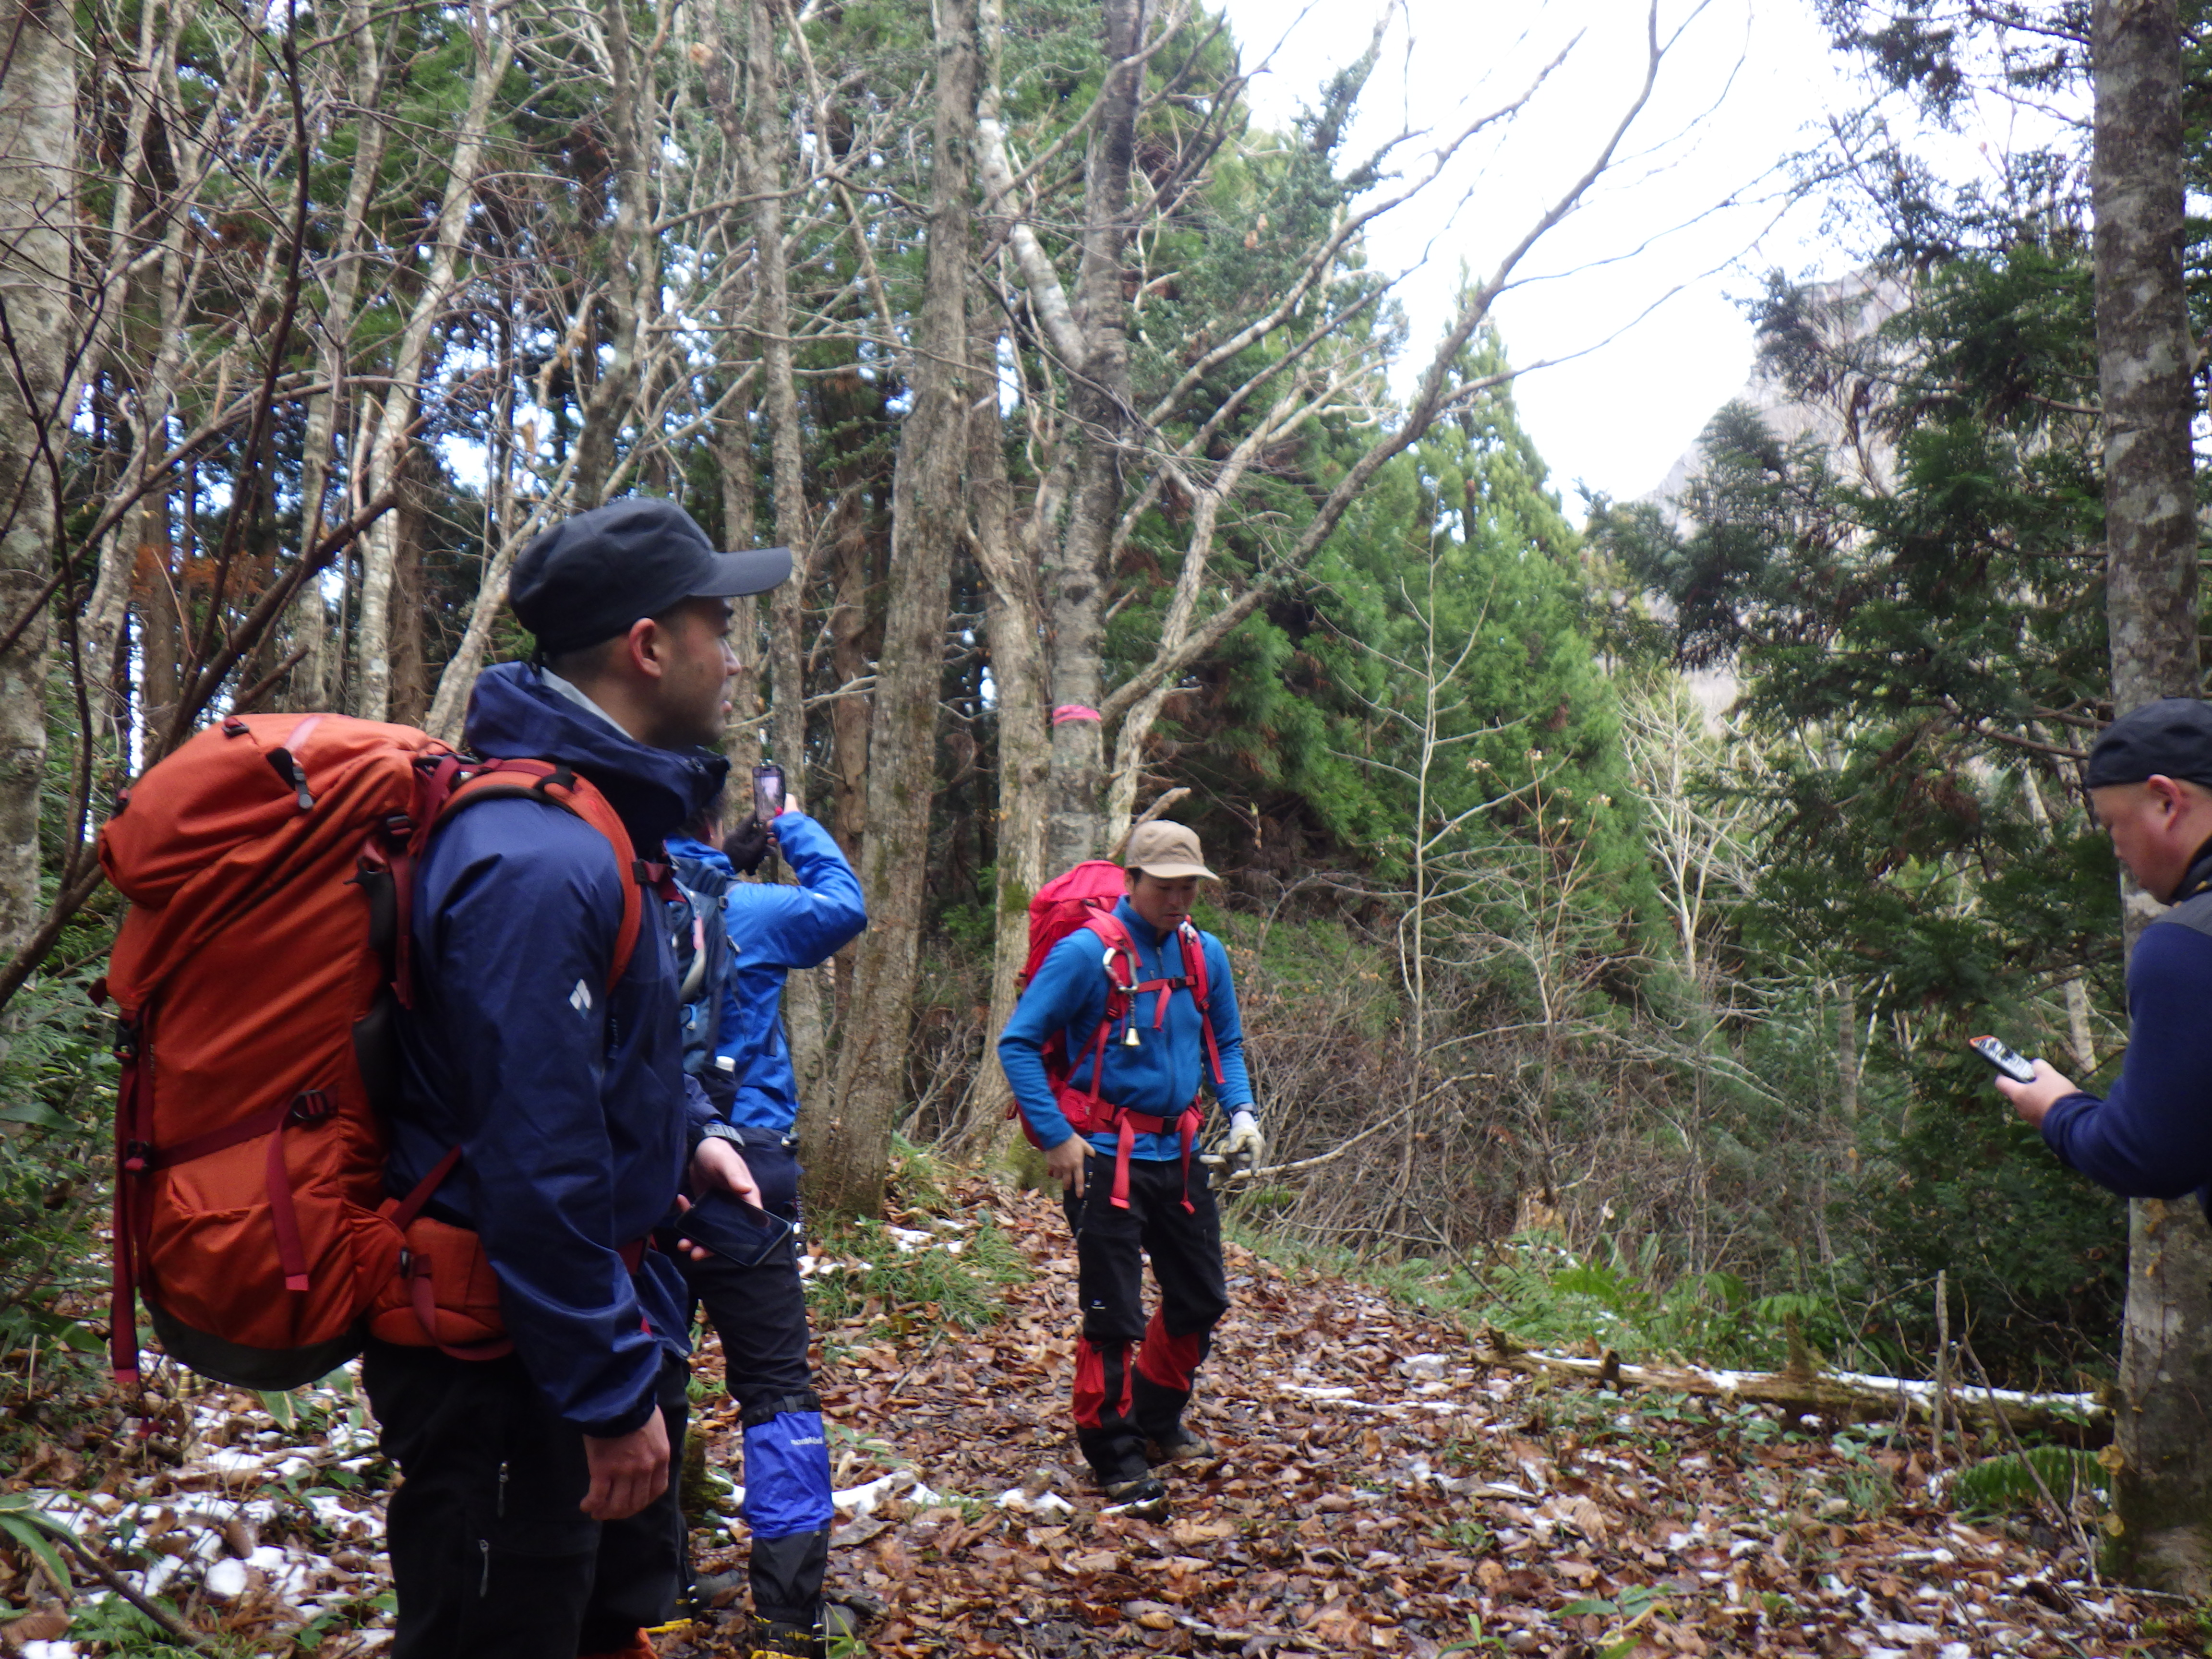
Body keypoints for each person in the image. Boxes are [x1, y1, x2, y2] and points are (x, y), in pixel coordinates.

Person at [365, 496, 789, 1659]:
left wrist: (690, 1126)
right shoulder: (535, 858)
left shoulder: (603, 823)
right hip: (505, 1362)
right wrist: (607, 1396)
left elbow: (610, 1053)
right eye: (718, 621)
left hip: (565, 1330)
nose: (736, 651)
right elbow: (533, 1157)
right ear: (648, 647)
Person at [996, 821, 1263, 1514]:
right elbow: (1019, 1043)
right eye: (1166, 886)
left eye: (1189, 887)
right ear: (1134, 880)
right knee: (1113, 1314)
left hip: (1177, 1154)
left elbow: (1223, 1042)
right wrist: (1055, 1136)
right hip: (1101, 1159)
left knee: (1201, 1297)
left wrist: (1241, 1113)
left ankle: (1154, 1416)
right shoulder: (1087, 955)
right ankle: (1113, 1454)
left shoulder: (1206, 955)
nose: (1180, 900)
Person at [666, 792, 866, 1657]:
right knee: (776, 1395)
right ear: (716, 823)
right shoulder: (750, 912)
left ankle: (650, 1592)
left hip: (644, 1171)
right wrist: (785, 824)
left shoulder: (611, 902)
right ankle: (790, 1618)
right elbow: (842, 905)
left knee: (646, 1381)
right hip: (749, 1167)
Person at [1997, 696, 2212, 1215]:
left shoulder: (2188, 944)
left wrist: (2059, 1110)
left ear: (2166, 801)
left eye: (2114, 825)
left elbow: (2146, 1155)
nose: (2116, 849)